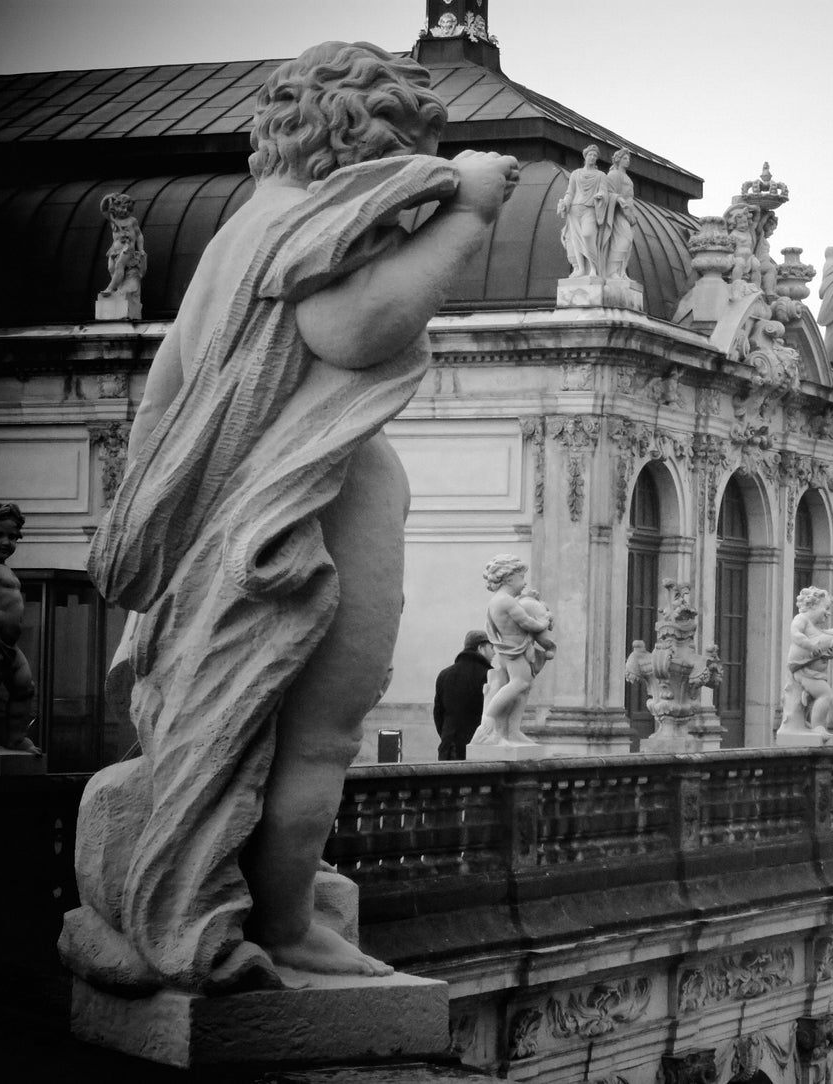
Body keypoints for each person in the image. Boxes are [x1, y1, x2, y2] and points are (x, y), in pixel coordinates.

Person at [65, 41, 520, 994]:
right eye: (416, 149)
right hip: (300, 522)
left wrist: (176, 530)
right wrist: (470, 211)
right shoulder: (313, 225)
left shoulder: (234, 235)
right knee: (315, 736)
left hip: (233, 531)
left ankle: (251, 899)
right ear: (372, 140)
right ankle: (282, 928)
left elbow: (164, 401)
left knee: (255, 736)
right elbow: (355, 331)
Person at [474, 555, 553, 746]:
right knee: (520, 683)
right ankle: (489, 721)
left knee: (523, 688)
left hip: (514, 648)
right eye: (521, 577)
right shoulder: (505, 601)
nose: (524, 582)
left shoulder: (502, 600)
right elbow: (527, 622)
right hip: (513, 649)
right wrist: (544, 620)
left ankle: (512, 731)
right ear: (509, 578)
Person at [0, 502, 39, 754]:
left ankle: (15, 737)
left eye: (12, 536)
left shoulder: (4, 569)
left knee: (24, 687)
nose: (6, 542)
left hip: (9, 645)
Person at [779, 586, 833, 735]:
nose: (829, 613)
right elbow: (795, 635)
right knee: (825, 695)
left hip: (811, 672)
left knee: (816, 698)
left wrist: (829, 653)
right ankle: (818, 726)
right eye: (827, 608)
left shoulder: (816, 629)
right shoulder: (801, 619)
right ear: (813, 605)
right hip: (804, 671)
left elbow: (821, 651)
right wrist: (811, 646)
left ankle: (810, 723)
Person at [433, 629, 492, 759]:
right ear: (481, 648)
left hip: (448, 748)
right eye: (491, 647)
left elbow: (438, 713)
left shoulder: (444, 675)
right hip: (479, 750)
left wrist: (448, 735)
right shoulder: (490, 675)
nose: (494, 653)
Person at [557, 144, 610, 278]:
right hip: (574, 209)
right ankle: (581, 269)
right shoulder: (576, 173)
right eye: (590, 155)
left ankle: (593, 268)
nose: (592, 157)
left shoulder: (601, 175)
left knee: (587, 235)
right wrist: (565, 203)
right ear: (585, 156)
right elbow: (570, 192)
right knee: (575, 239)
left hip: (590, 209)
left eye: (595, 156)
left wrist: (601, 196)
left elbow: (604, 191)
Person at [603, 149, 637, 280]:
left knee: (628, 244)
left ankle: (621, 272)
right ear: (618, 160)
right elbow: (609, 192)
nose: (627, 161)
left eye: (628, 159)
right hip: (619, 212)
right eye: (624, 158)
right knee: (624, 240)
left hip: (629, 213)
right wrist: (620, 201)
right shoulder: (614, 174)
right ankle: (611, 271)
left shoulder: (626, 176)